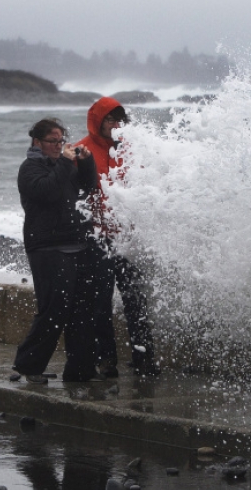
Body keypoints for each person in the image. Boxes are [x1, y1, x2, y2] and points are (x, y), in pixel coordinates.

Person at [13, 117, 104, 383]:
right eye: (53, 141)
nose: (58, 145)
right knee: (54, 309)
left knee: (83, 309)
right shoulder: (30, 168)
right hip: (46, 248)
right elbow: (47, 192)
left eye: (61, 141)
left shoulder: (64, 167)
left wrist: (86, 162)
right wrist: (65, 162)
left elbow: (88, 188)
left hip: (76, 243)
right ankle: (29, 366)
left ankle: (80, 369)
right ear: (37, 142)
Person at [77, 97, 160, 377]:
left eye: (119, 120)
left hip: (126, 238)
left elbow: (145, 187)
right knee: (100, 302)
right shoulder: (82, 151)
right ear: (98, 121)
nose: (115, 125)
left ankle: (144, 357)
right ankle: (106, 359)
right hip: (97, 239)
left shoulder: (129, 151)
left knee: (135, 299)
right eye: (110, 119)